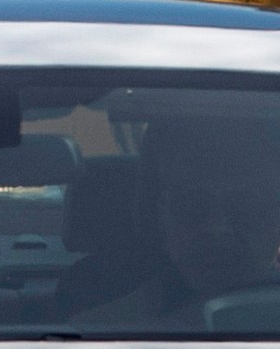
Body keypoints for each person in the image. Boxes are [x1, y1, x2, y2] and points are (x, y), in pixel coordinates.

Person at [75, 117, 280, 329]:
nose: (217, 229)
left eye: (245, 207)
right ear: (158, 218)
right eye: (192, 208)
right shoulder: (100, 334)